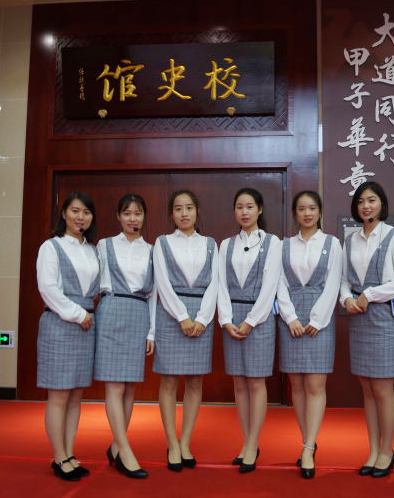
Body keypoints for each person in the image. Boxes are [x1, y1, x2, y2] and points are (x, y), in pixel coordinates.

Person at [340, 181, 394, 478]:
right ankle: (372, 449)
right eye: (361, 201)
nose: (366, 206)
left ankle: (387, 450)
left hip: (384, 318)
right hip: (359, 318)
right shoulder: (351, 240)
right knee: (367, 388)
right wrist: (346, 298)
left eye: (371, 200)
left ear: (381, 203)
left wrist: (369, 295)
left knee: (383, 388)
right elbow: (344, 280)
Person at [276, 190, 342, 479]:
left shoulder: (332, 243)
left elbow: (334, 282)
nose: (307, 213)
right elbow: (278, 282)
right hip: (290, 318)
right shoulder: (284, 245)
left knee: (315, 384)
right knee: (297, 385)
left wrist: (318, 318)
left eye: (312, 208)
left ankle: (307, 448)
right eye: (301, 209)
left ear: (319, 211)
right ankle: (308, 442)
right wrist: (290, 317)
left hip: (320, 319)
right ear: (295, 213)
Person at [217, 187, 282, 474]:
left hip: (260, 319)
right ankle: (246, 443)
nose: (244, 212)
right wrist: (226, 319)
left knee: (256, 382)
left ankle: (254, 444)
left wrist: (252, 320)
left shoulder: (272, 242)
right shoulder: (226, 245)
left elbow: (270, 287)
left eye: (249, 207)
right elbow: (220, 284)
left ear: (260, 210)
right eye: (239, 207)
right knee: (239, 383)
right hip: (232, 319)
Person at [153, 190, 218, 472]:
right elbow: (162, 283)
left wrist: (202, 319)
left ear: (197, 211)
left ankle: (186, 442)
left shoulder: (210, 244)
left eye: (189, 208)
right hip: (171, 315)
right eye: (178, 208)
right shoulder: (162, 242)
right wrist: (182, 317)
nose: (184, 213)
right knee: (168, 381)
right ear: (172, 214)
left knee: (194, 381)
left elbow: (216, 283)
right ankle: (171, 443)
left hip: (202, 315)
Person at [36, 192, 99, 481]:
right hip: (61, 324)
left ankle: (70, 454)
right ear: (63, 214)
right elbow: (48, 288)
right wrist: (77, 314)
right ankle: (59, 456)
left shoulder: (93, 250)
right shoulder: (51, 247)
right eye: (75, 211)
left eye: (86, 212)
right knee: (59, 395)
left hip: (86, 326)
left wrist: (85, 316)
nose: (80, 217)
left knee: (76, 396)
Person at [95, 193, 156, 479]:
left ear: (144, 216)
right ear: (118, 216)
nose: (133, 218)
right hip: (111, 310)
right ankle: (126, 451)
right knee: (114, 385)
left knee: (130, 387)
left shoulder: (153, 250)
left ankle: (116, 446)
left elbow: (155, 295)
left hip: (139, 313)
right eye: (127, 213)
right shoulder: (104, 245)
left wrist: (152, 331)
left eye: (138, 213)